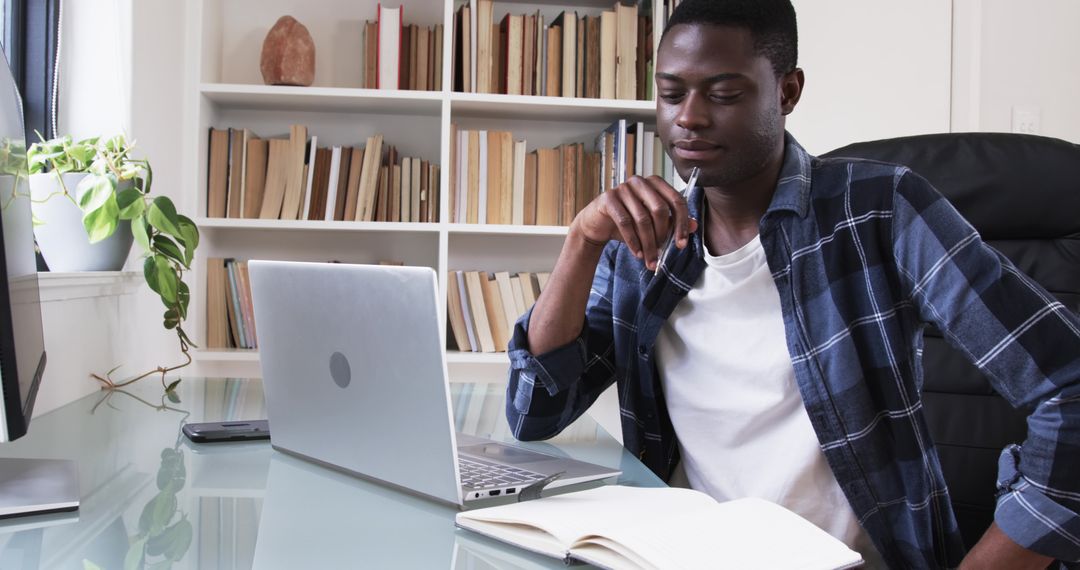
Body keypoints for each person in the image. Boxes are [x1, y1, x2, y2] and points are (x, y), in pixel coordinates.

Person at [503, 0, 1080, 568]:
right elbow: (535, 414)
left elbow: (1070, 392)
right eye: (672, 93)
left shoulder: (878, 210)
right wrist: (582, 240)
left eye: (723, 94)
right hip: (676, 554)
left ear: (787, 92)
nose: (689, 118)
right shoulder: (642, 243)